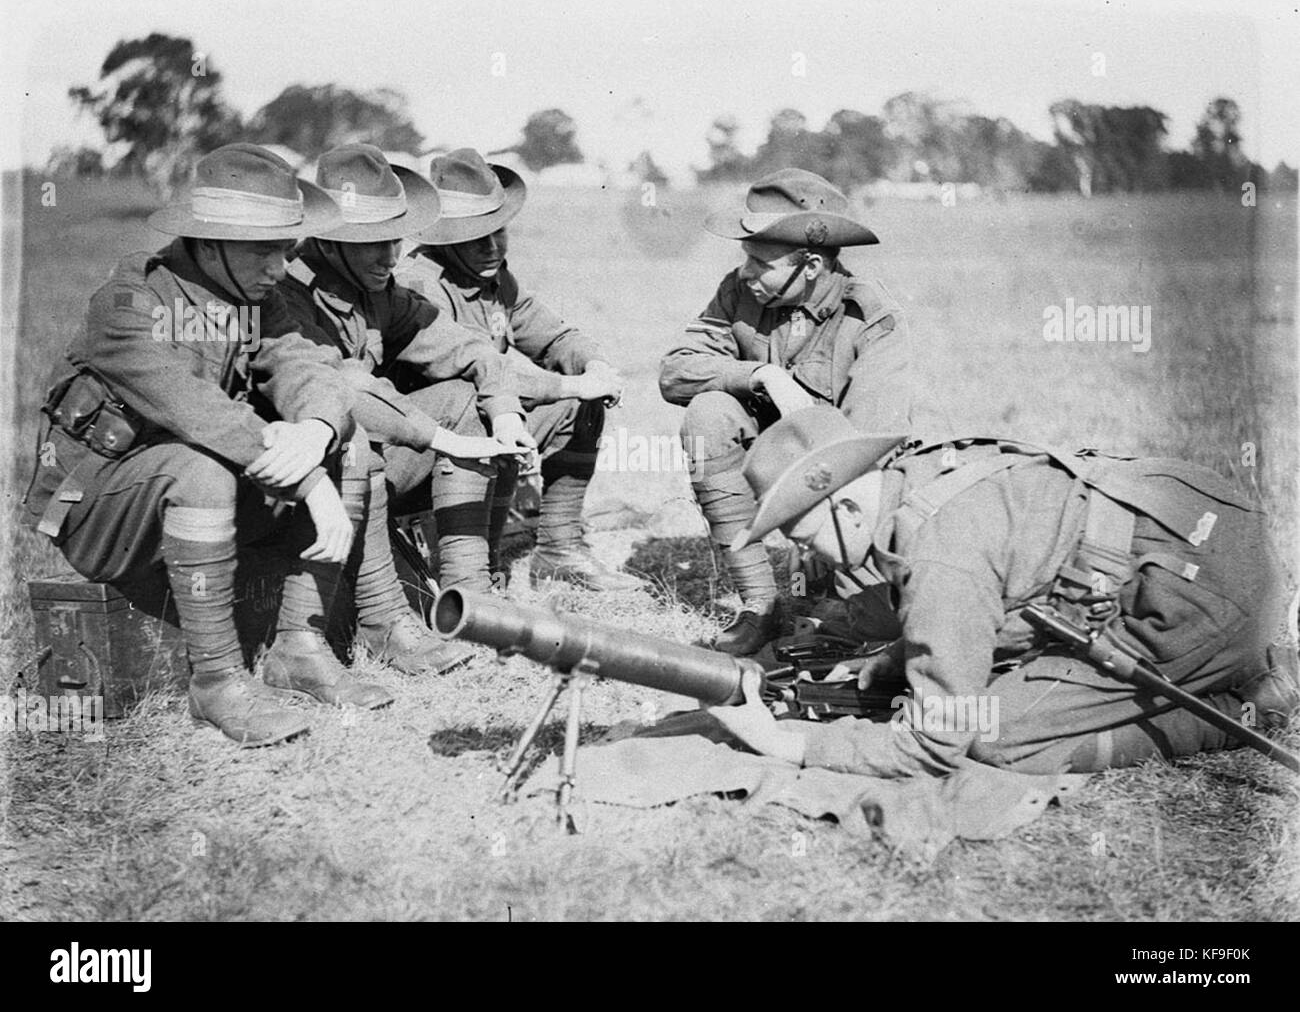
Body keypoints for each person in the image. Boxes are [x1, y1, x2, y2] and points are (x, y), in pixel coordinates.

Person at [22, 144, 396, 747]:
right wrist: (311, 481)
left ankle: (300, 647)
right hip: (102, 509)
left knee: (347, 445)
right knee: (200, 471)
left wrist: (319, 431)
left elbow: (308, 367)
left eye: (286, 249)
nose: (280, 268)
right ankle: (216, 684)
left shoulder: (254, 299)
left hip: (196, 497)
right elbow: (201, 412)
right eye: (263, 250)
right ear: (209, 240)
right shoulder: (130, 304)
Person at [710, 407, 1299, 777]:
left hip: (1203, 595)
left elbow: (935, 745)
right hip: (1206, 538)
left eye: (803, 537)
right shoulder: (922, 477)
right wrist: (911, 650)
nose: (806, 556)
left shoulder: (939, 554)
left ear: (842, 505)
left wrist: (798, 745)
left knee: (1000, 736)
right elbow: (1023, 586)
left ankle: (1249, 702)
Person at [276, 143, 531, 664]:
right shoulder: (286, 294)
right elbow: (346, 390)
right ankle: (384, 623)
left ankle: (469, 596)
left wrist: (503, 408)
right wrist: (441, 438)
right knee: (358, 445)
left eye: (393, 240)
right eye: (371, 243)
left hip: (357, 475)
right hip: (295, 478)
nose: (388, 256)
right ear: (329, 240)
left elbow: (463, 345)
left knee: (464, 399)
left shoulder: (377, 290)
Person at [659, 168, 918, 656]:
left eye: (761, 262)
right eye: (745, 258)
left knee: (864, 624)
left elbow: (869, 451)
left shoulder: (873, 319)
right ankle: (760, 604)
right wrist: (763, 375)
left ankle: (827, 581)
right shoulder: (739, 290)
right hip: (774, 456)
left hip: (840, 484)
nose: (746, 272)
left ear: (812, 265)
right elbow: (675, 371)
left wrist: (817, 550)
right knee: (708, 415)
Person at [397, 148, 642, 591]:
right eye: (476, 237)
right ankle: (471, 570)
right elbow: (473, 380)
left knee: (576, 409)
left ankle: (559, 549)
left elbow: (551, 334)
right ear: (444, 237)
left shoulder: (492, 277)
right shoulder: (421, 285)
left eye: (499, 231)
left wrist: (596, 366)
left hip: (477, 433)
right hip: (422, 447)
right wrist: (573, 383)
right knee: (487, 405)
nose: (492, 247)